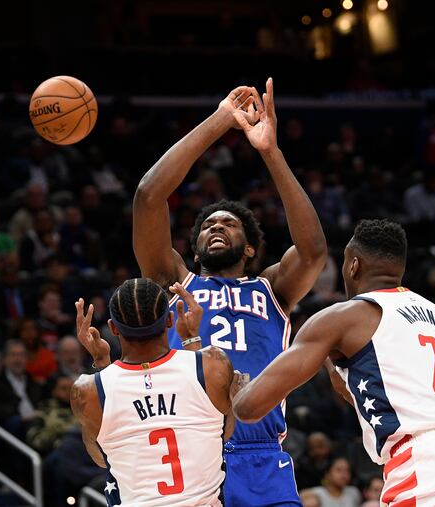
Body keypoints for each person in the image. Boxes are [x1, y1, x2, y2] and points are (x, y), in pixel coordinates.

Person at [133, 80, 326, 506]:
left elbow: (313, 250)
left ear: (251, 247)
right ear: (195, 243)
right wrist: (222, 119)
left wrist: (270, 152)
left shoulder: (273, 287)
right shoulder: (173, 280)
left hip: (262, 455)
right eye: (207, 225)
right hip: (192, 450)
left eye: (229, 224)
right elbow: (149, 196)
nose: (216, 226)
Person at [233, 219, 435, 505]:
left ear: (353, 266)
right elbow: (380, 393)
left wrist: (225, 376)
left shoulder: (344, 316)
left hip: (432, 463)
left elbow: (249, 407)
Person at [71, 278, 238, 506]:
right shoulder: (213, 365)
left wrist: (101, 362)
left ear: (112, 328)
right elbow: (224, 432)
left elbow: (102, 458)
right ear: (170, 319)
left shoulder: (88, 390)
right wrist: (191, 340)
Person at [26, 375, 75, 455]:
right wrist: (53, 431)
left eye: (71, 388)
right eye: (63, 388)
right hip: (55, 453)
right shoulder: (43, 411)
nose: (68, 392)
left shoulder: (83, 411)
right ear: (54, 391)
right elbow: (34, 440)